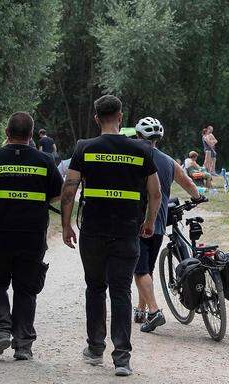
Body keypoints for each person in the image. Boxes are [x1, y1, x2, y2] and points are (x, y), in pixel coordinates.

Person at [60, 95, 162, 376]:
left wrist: (66, 225)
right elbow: (155, 193)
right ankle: (122, 358)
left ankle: (95, 348)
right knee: (120, 290)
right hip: (127, 230)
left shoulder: (84, 147)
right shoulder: (142, 150)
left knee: (95, 288)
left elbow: (69, 190)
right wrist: (149, 222)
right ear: (120, 116)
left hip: (93, 230)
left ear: (96, 118)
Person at [0, 112, 63, 360]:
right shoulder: (45, 161)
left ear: (7, 133)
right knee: (26, 288)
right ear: (31, 136)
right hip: (31, 237)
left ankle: (0, 330)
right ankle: (22, 344)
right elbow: (57, 195)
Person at [132, 117, 204, 331]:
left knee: (139, 270)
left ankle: (153, 311)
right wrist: (198, 197)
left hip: (137, 222)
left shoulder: (133, 157)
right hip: (159, 222)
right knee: (147, 268)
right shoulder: (168, 161)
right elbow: (188, 184)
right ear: (158, 139)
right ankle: (140, 309)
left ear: (138, 136)